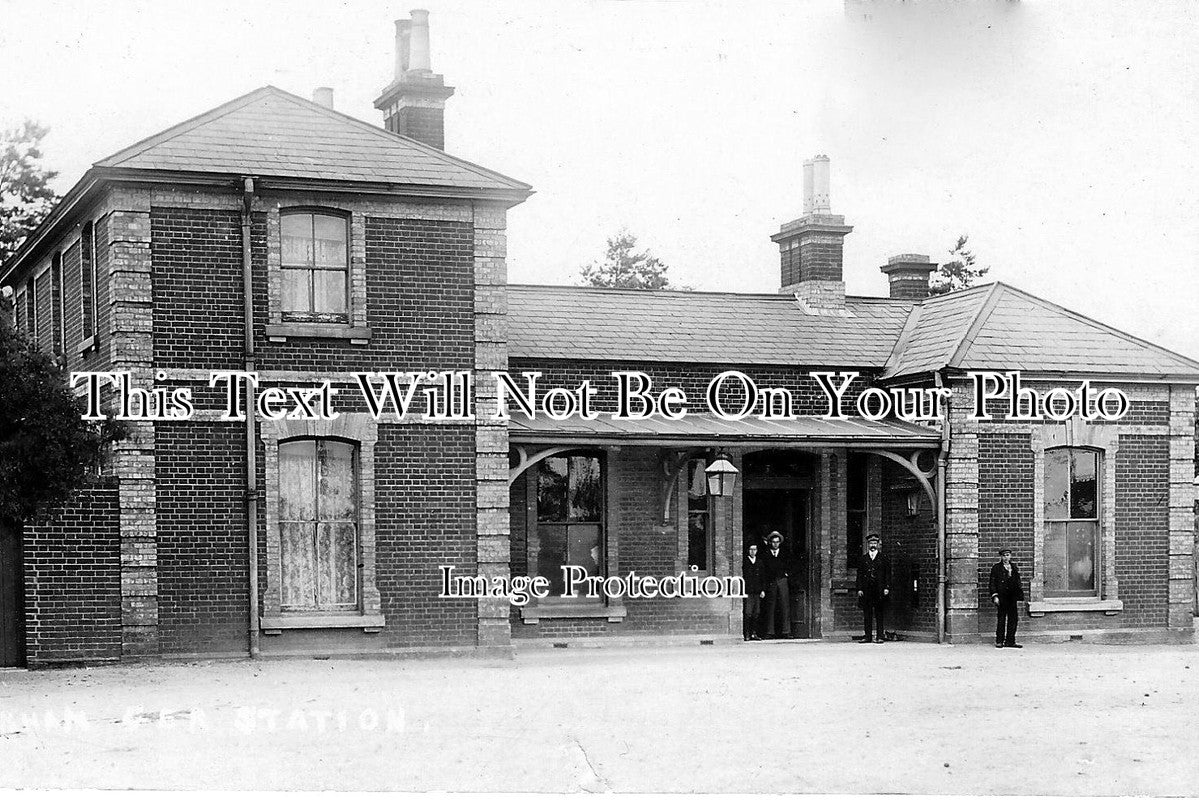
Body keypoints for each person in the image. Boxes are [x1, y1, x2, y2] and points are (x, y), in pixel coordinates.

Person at [855, 534, 891, 643]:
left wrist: (887, 587)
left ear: (878, 544)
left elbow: (887, 574)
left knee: (879, 613)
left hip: (879, 590)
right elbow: (859, 575)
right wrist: (859, 589)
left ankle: (880, 636)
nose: (873, 545)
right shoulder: (863, 559)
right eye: (871, 543)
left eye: (875, 543)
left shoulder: (883, 558)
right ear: (868, 545)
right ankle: (868, 636)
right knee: (867, 614)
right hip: (867, 590)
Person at [989, 547, 1025, 648]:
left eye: (1008, 555)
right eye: (1004, 555)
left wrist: (1019, 594)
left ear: (1010, 556)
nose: (1006, 557)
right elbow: (992, 583)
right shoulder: (996, 568)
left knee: (1013, 619)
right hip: (1002, 597)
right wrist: (995, 596)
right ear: (1001, 556)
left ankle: (1010, 641)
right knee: (1001, 618)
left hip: (1012, 597)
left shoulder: (1014, 567)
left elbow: (1018, 582)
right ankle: (999, 640)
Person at [761, 531, 791, 639]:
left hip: (782, 580)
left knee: (785, 605)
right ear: (770, 543)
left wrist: (787, 574)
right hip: (771, 581)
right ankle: (770, 632)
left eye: (777, 542)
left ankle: (786, 631)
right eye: (773, 542)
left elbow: (790, 565)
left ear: (780, 543)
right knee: (771, 606)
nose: (775, 544)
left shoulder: (785, 554)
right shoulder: (766, 554)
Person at [742, 544, 765, 641]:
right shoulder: (745, 562)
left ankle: (754, 633)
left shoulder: (759, 562)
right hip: (748, 591)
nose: (752, 551)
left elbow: (763, 577)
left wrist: (762, 590)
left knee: (756, 613)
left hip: (757, 591)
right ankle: (747, 633)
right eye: (751, 549)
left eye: (754, 549)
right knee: (748, 613)